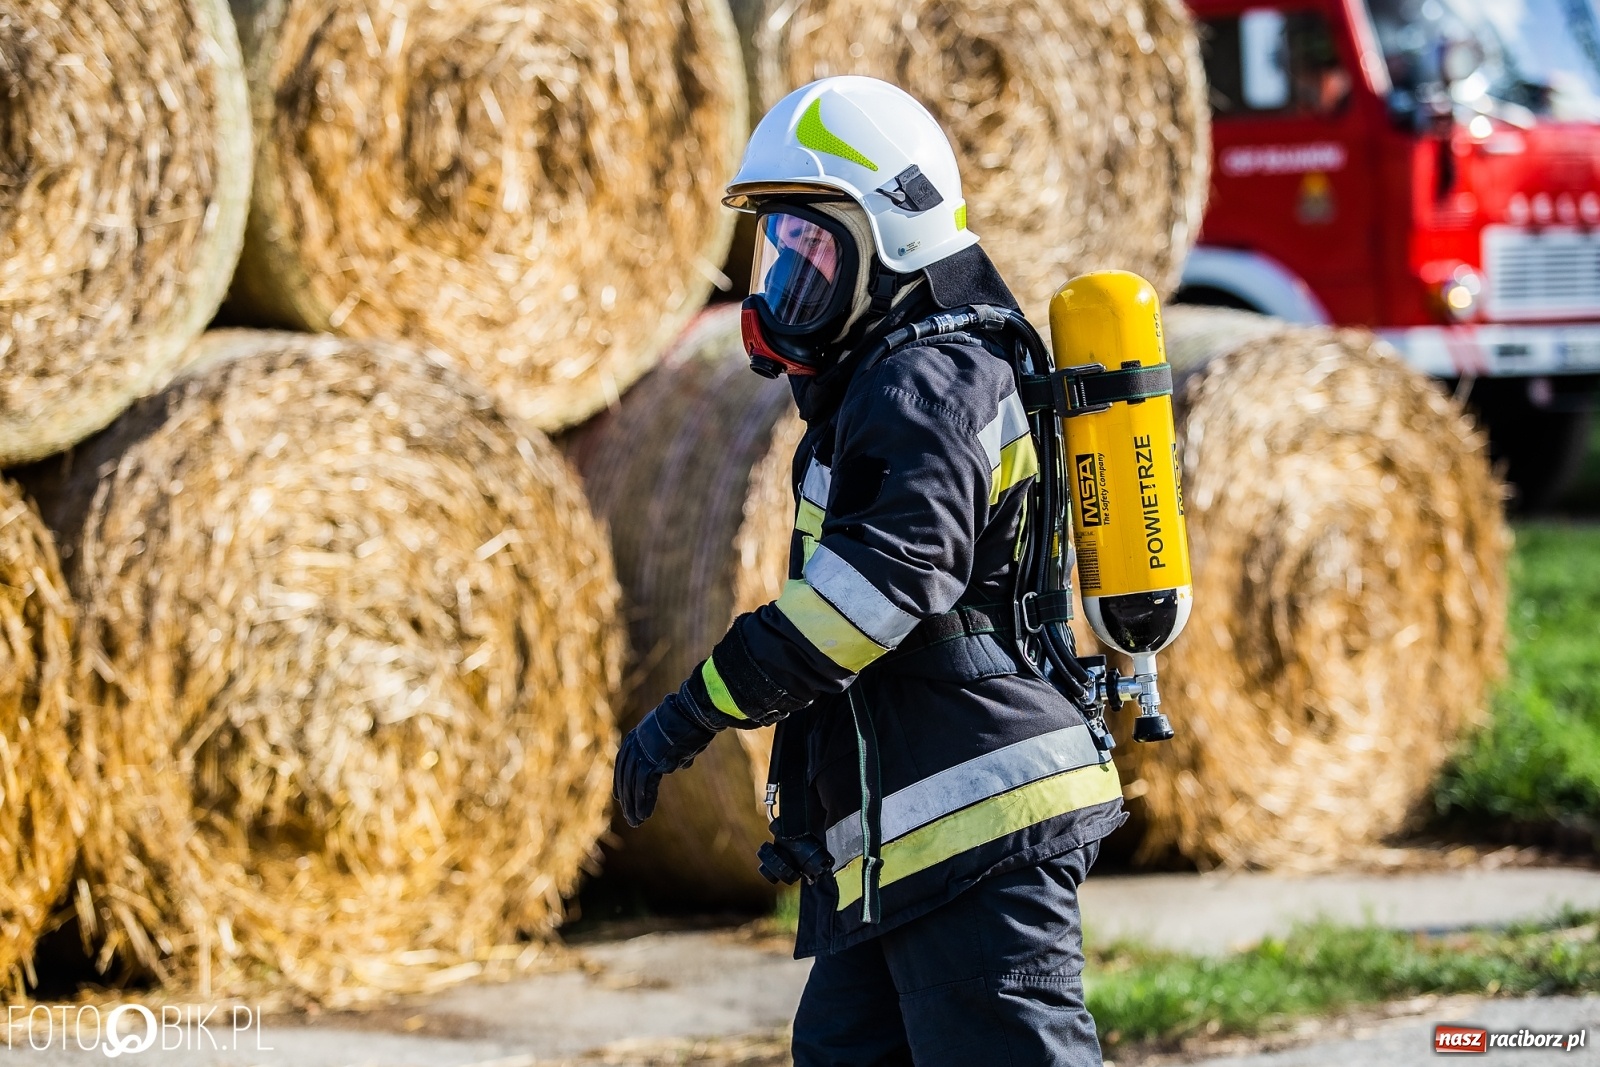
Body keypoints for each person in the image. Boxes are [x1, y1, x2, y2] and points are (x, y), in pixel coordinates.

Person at [613, 75, 1126, 1066]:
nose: (782, 289)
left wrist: (693, 711)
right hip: (907, 841)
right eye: (779, 254)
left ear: (889, 238)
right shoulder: (894, 376)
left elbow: (876, 593)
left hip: (978, 831)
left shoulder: (929, 382)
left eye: (809, 253)